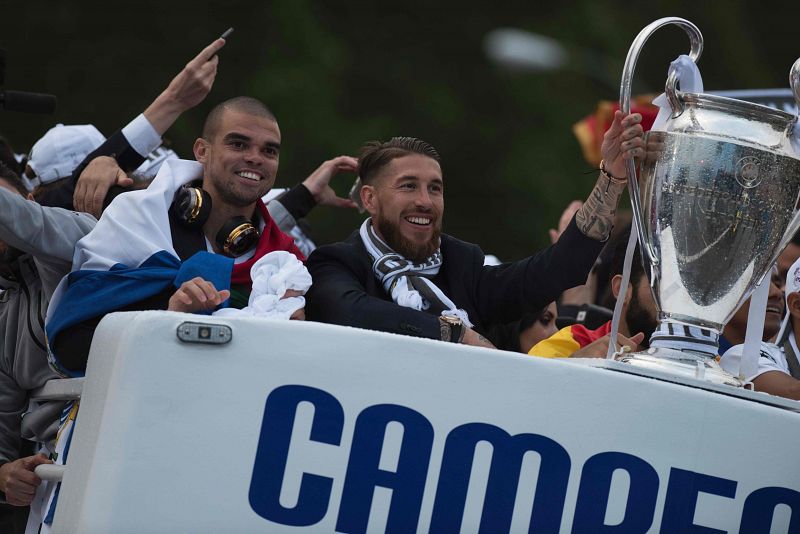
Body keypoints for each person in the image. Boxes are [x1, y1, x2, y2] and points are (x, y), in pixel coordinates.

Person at [47, 96, 355, 375]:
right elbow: (73, 347)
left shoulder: (286, 261)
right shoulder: (136, 219)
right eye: (238, 144)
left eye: (269, 150)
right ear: (202, 151)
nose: (255, 158)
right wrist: (167, 318)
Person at [305, 111, 644, 346]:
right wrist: (457, 333)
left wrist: (611, 179)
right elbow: (351, 311)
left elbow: (557, 271)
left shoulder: (462, 264)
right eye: (408, 186)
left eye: (435, 188)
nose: (425, 201)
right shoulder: (334, 262)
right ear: (370, 198)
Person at [0, 162, 96, 511]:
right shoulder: (2, 312)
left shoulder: (79, 235)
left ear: (30, 200)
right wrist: (5, 473)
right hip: (55, 482)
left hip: (126, 439)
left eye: (10, 205)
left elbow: (33, 226)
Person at [528, 236, 657, 358]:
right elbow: (528, 378)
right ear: (621, 289)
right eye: (660, 286)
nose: (673, 302)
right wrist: (577, 364)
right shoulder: (574, 343)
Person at [720, 257, 800, 400]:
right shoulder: (742, 355)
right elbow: (792, 392)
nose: (776, 293)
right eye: (757, 283)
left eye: (777, 282)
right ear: (796, 305)